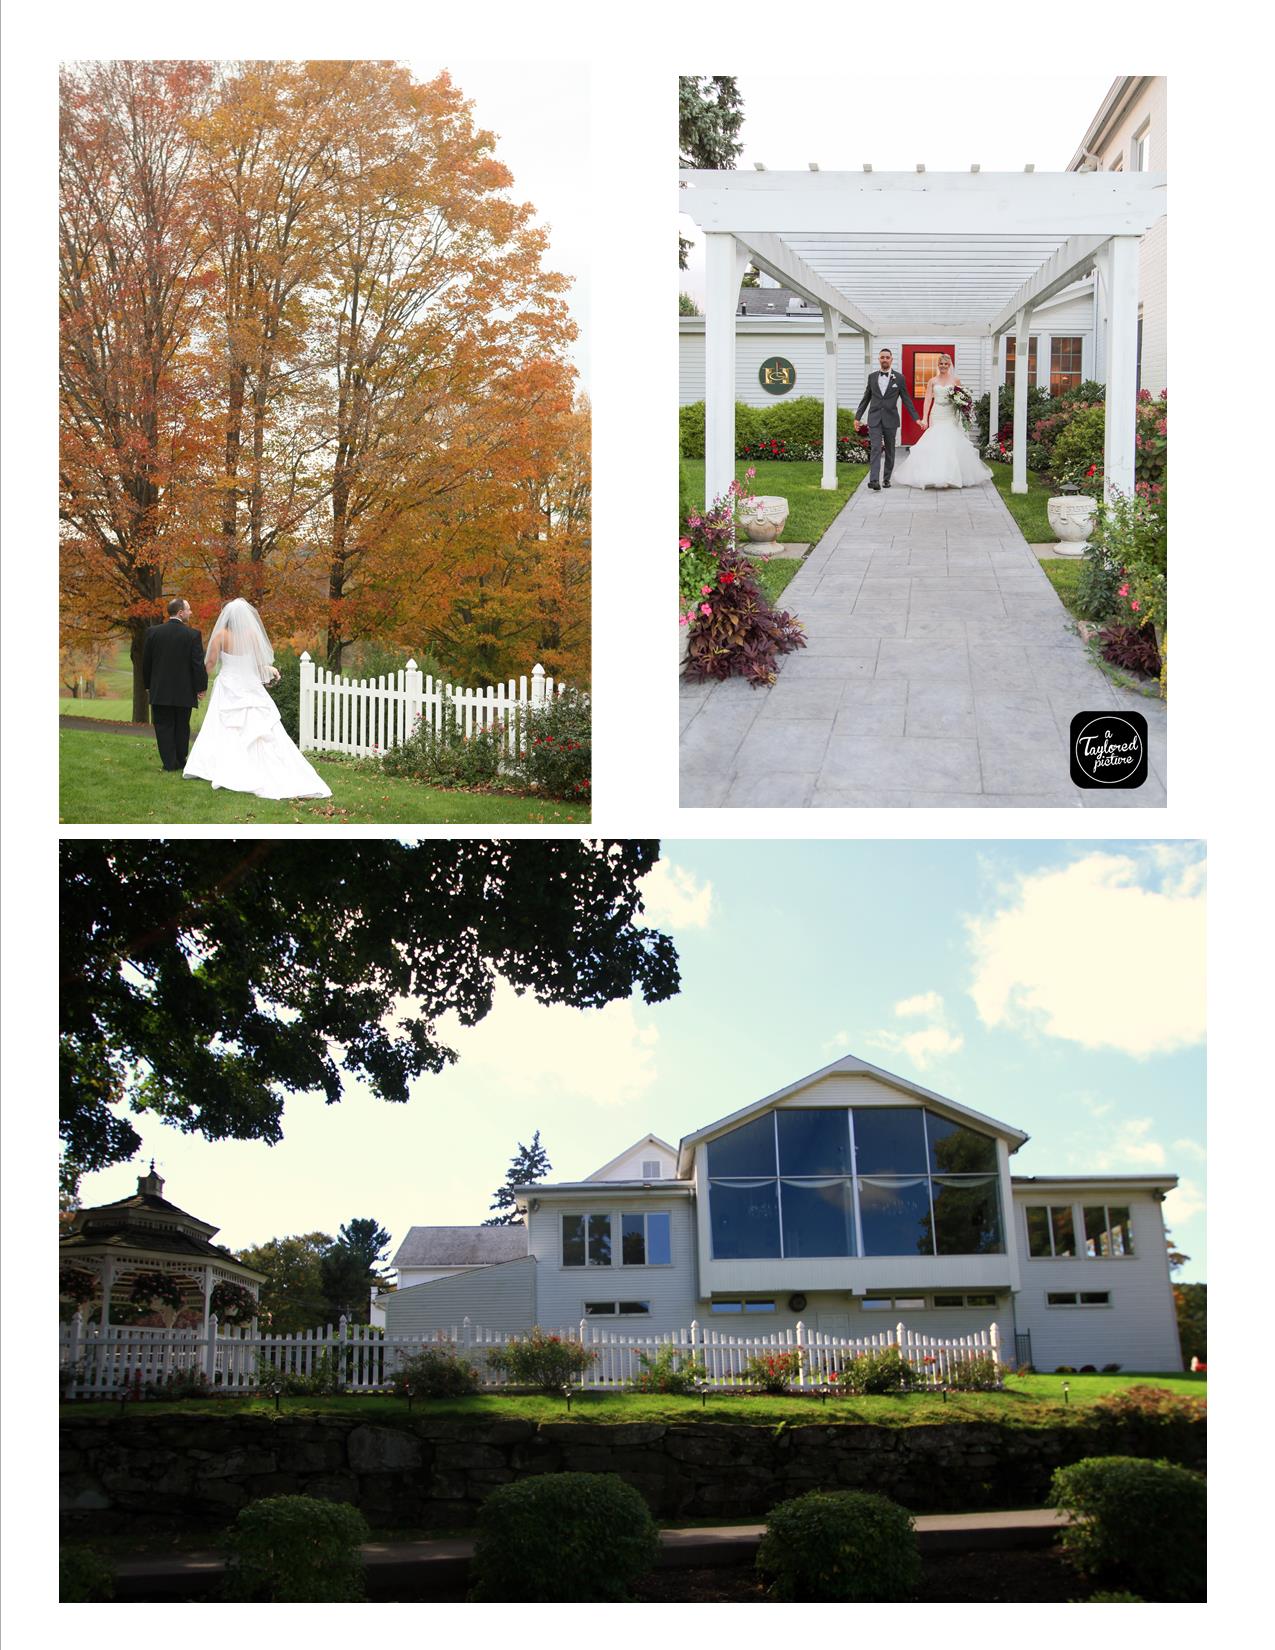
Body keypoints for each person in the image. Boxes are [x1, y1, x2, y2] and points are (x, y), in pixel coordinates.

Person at [183, 598, 332, 800]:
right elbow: (259, 662)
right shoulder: (252, 635)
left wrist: (200, 686)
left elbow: (210, 662)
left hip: (228, 684)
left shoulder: (220, 635)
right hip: (249, 684)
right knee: (260, 727)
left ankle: (217, 764)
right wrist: (268, 670)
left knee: (222, 726)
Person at [894, 353, 993, 489]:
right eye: (941, 364)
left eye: (946, 364)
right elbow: (928, 399)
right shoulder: (932, 381)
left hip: (950, 414)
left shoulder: (956, 381)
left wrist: (963, 411)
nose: (943, 366)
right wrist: (924, 417)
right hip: (937, 413)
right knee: (936, 442)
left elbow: (964, 400)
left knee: (949, 443)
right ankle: (935, 475)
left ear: (950, 365)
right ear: (938, 365)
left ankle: (950, 475)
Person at [142, 598, 207, 772]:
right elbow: (197, 664)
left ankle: (169, 764)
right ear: (180, 613)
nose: (191, 613)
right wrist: (201, 687)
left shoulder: (152, 632)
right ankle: (180, 760)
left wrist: (148, 685)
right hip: (184, 691)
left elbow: (146, 662)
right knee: (181, 727)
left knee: (163, 726)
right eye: (189, 610)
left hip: (160, 690)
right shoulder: (193, 635)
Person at [853, 348, 920, 490]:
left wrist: (916, 418)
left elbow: (906, 399)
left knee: (890, 450)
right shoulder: (872, 377)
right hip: (875, 418)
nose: (884, 359)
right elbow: (866, 398)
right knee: (876, 448)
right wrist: (857, 417)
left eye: (887, 357)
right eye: (882, 357)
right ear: (879, 359)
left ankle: (886, 478)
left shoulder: (899, 378)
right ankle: (874, 480)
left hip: (891, 419)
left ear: (891, 360)